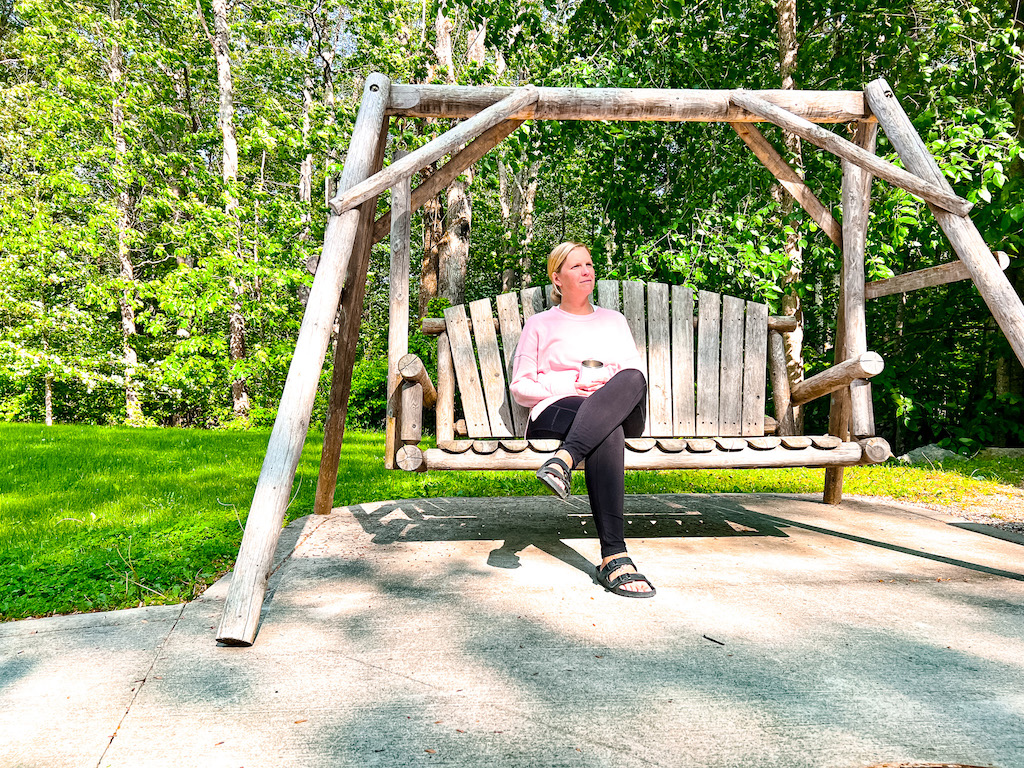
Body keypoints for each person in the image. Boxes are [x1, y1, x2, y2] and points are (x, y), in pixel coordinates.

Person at [510, 242, 655, 598]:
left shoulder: (613, 320)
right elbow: (521, 387)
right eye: (576, 266)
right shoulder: (540, 324)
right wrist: (570, 382)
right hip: (560, 409)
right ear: (557, 278)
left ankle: (564, 459)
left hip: (616, 405)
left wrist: (602, 382)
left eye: (589, 264)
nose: (587, 271)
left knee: (634, 379)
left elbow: (630, 376)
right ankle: (614, 556)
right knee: (608, 432)